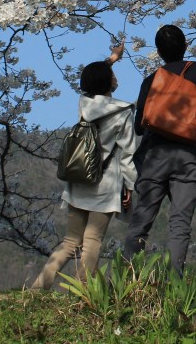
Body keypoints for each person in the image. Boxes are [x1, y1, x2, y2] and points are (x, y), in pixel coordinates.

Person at [122, 25, 196, 274]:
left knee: (141, 221)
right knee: (180, 222)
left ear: (159, 52)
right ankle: (174, 285)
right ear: (185, 46)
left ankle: (126, 281)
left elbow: (140, 127)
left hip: (155, 155)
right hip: (189, 156)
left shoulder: (151, 81)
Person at [31, 42, 138, 289]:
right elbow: (127, 154)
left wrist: (112, 58)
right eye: (112, 74)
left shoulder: (84, 104)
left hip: (79, 178)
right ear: (109, 82)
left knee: (70, 242)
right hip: (106, 181)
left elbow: (93, 78)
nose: (114, 77)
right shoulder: (123, 112)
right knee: (92, 241)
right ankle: (80, 293)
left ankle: (38, 287)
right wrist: (130, 186)